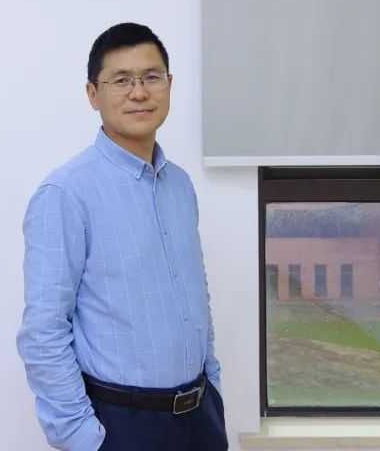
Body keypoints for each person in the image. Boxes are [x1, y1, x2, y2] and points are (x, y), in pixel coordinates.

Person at [17, 23, 226, 451]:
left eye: (151, 77)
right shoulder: (66, 193)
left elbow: (195, 296)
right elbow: (43, 331)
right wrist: (84, 439)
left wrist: (214, 391)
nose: (139, 92)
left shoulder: (180, 186)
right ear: (93, 94)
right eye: (121, 80)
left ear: (169, 85)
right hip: (121, 426)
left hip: (200, 420)